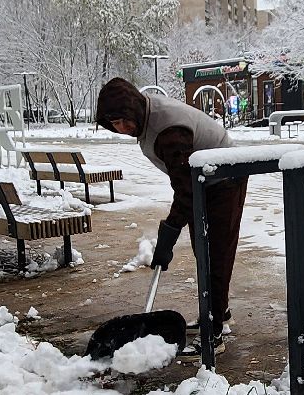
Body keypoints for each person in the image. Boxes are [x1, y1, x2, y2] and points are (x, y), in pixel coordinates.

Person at [94, 77, 245, 336]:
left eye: (124, 119)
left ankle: (214, 332)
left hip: (225, 177)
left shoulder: (169, 132)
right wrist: (171, 231)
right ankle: (218, 311)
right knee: (204, 251)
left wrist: (169, 233)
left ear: (134, 108)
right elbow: (187, 184)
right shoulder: (147, 116)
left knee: (215, 254)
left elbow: (185, 189)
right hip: (204, 181)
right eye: (115, 123)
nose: (122, 128)